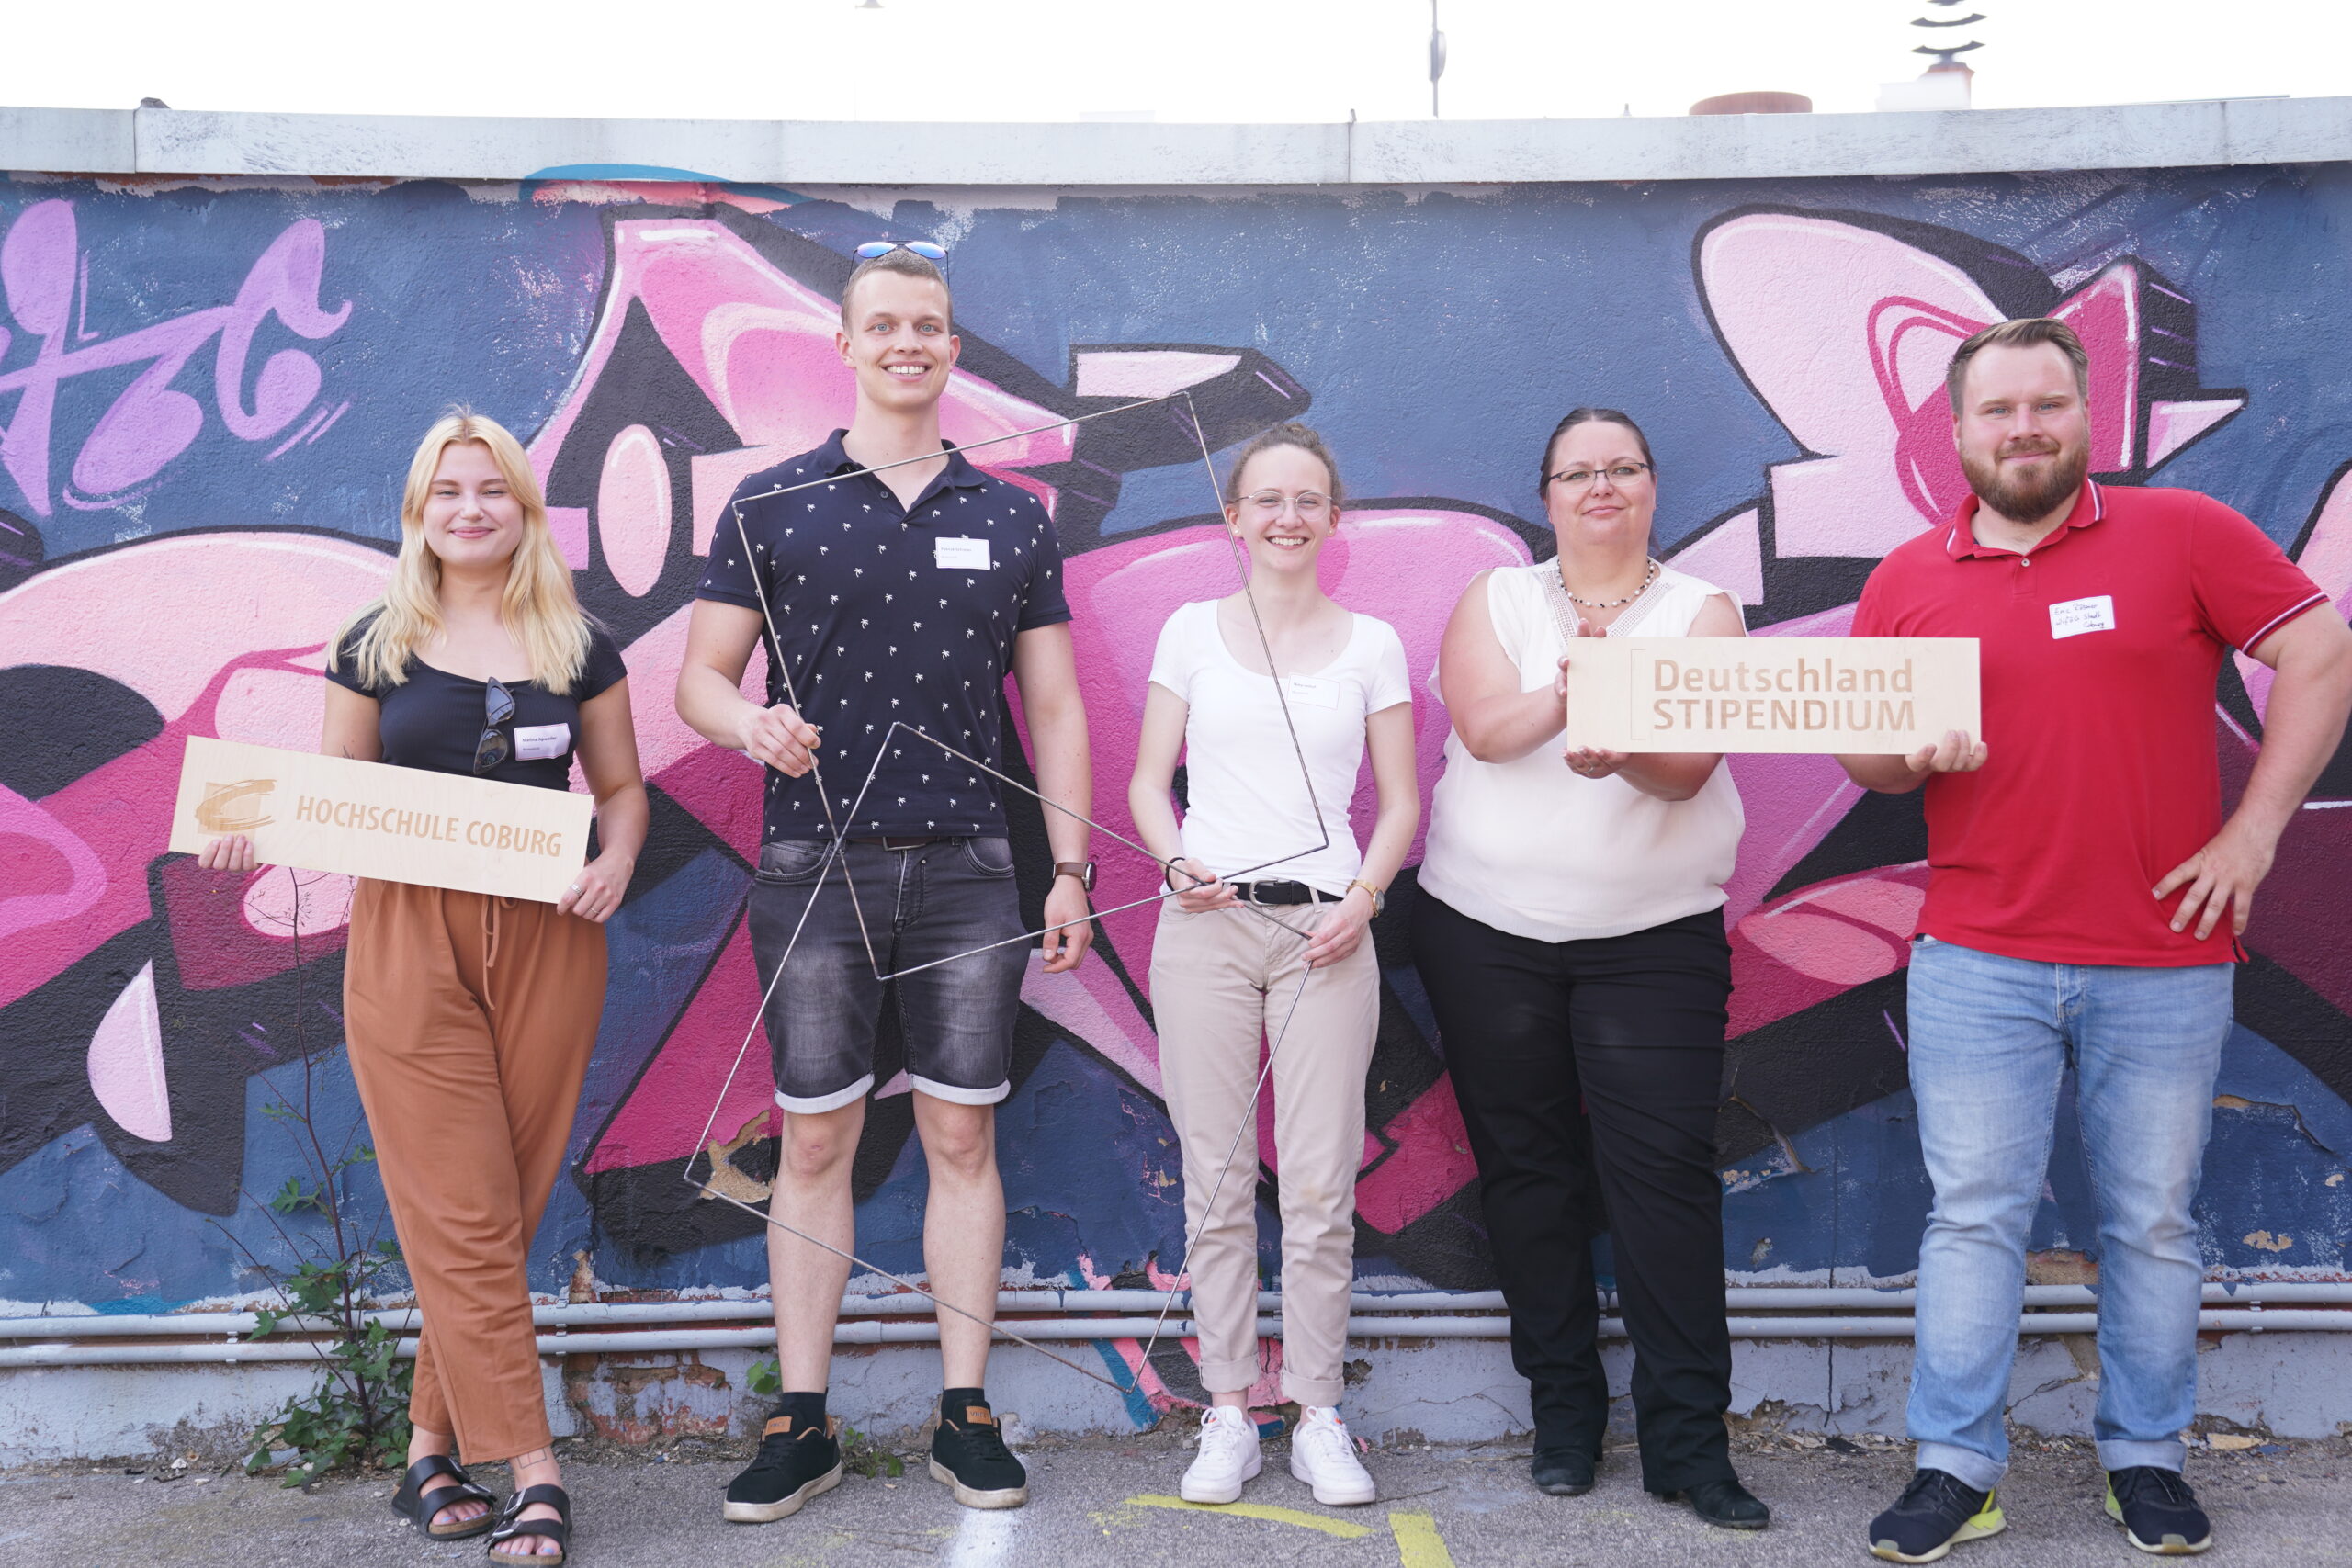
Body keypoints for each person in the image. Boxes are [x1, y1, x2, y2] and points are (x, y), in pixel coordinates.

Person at [1841, 318, 2352, 1564]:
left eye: (2046, 405)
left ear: (2087, 417)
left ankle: (2147, 1456)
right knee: (1972, 1216)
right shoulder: (1906, 577)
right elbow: (1861, 755)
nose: (2024, 428)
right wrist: (1907, 754)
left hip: (2163, 954)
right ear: (1954, 433)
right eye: (1998, 410)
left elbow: (2320, 650)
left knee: (2152, 1219)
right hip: (1975, 954)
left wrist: (2253, 835)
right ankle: (1955, 1465)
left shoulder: (2181, 532)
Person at [676, 242, 1093, 1526]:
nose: (909, 342)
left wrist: (1067, 863)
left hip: (973, 864)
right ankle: (802, 1421)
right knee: (815, 1138)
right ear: (845, 346)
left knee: (963, 1132)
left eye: (931, 325)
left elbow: (1059, 700)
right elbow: (698, 680)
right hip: (812, 868)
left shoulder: (1013, 513)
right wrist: (752, 729)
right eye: (885, 324)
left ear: (952, 350)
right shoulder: (770, 503)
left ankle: (963, 1411)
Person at [198, 412, 648, 1566]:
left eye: (490, 491)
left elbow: (624, 786)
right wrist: (256, 825)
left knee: (505, 1206)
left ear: (524, 508)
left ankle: (424, 1448)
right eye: (447, 491)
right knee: (460, 1209)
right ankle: (535, 1469)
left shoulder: (577, 644)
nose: (469, 509)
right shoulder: (377, 643)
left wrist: (618, 862)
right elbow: (334, 786)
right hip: (406, 936)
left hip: (552, 937)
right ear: (418, 511)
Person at [1410, 408, 1768, 1529]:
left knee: (1663, 1181)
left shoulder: (1704, 610)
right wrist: (1579, 690)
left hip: (1653, 941)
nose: (1600, 485)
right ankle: (1565, 1420)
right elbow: (1484, 727)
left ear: (1652, 487)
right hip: (1483, 931)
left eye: (1622, 468)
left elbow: (1685, 770)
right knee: (1526, 1173)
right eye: (1578, 472)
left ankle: (1687, 1447)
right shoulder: (1500, 600)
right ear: (1548, 493)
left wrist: (1628, 742)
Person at [1127, 423, 1419, 1507]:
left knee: (1318, 1184)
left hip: (1326, 934)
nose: (1287, 516)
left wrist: (1365, 899)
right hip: (1202, 930)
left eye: (1308, 500)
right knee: (1212, 1182)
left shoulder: (1372, 644)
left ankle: (1318, 1415)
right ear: (1233, 518)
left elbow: (1399, 804)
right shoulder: (1190, 631)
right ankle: (1225, 1413)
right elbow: (1150, 783)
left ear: (1333, 520)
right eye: (1267, 500)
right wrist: (1174, 861)